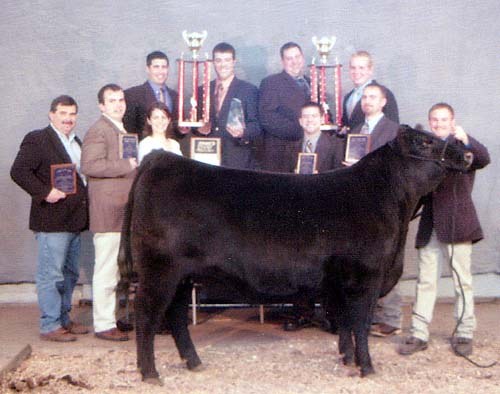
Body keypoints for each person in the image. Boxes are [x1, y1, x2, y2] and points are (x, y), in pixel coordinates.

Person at [398, 103, 490, 357]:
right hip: (430, 225)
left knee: (462, 282)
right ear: (430, 123)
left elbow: (484, 158)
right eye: (435, 120)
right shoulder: (425, 150)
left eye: (443, 119)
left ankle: (464, 332)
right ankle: (419, 333)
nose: (439, 124)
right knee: (426, 281)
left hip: (458, 223)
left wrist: (467, 139)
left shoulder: (463, 149)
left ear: (453, 122)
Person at [11, 95, 89, 342]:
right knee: (51, 274)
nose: (68, 118)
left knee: (69, 274)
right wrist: (45, 192)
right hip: (51, 220)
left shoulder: (76, 141)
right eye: (63, 113)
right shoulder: (38, 139)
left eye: (72, 114)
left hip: (74, 220)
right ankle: (50, 325)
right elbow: (19, 171)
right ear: (51, 115)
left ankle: (64, 319)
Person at [344, 83, 403, 336]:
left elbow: (397, 169)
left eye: (373, 97)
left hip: (383, 204)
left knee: (385, 258)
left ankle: (390, 317)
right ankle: (369, 316)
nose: (367, 101)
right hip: (360, 205)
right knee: (365, 260)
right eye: (364, 97)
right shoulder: (356, 130)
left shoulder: (394, 131)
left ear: (384, 101)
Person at [81, 84, 138, 341]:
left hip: (122, 209)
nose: (118, 104)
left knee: (117, 269)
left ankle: (111, 317)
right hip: (108, 211)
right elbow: (89, 165)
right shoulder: (98, 130)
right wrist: (126, 165)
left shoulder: (121, 129)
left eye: (121, 99)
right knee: (106, 269)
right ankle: (103, 324)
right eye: (112, 101)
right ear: (101, 106)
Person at [194, 42, 261, 169]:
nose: (222, 65)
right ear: (213, 62)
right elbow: (195, 123)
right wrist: (199, 129)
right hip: (207, 159)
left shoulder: (248, 90)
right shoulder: (202, 90)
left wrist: (243, 132)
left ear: (234, 61)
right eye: (218, 60)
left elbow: (256, 126)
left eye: (227, 60)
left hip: (237, 160)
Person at [259, 42, 310, 172]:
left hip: (308, 150)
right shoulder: (271, 83)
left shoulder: (313, 82)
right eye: (289, 58)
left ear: (302, 58)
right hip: (280, 155)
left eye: (297, 57)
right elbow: (267, 118)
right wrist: (303, 131)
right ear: (282, 61)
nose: (294, 62)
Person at [123, 51, 178, 138]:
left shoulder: (175, 96)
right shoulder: (132, 95)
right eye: (156, 67)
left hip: (171, 148)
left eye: (164, 67)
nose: (161, 71)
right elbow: (129, 130)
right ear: (148, 69)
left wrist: (183, 130)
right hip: (144, 149)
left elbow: (176, 131)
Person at [342, 50, 399, 130]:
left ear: (370, 70)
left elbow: (393, 129)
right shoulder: (348, 98)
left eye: (361, 68)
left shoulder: (384, 93)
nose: (356, 72)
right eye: (353, 68)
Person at [286, 102, 343, 173]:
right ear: (300, 121)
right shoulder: (290, 147)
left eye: (314, 116)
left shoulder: (336, 145)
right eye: (305, 116)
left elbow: (340, 176)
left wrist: (318, 178)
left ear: (322, 119)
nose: (310, 120)